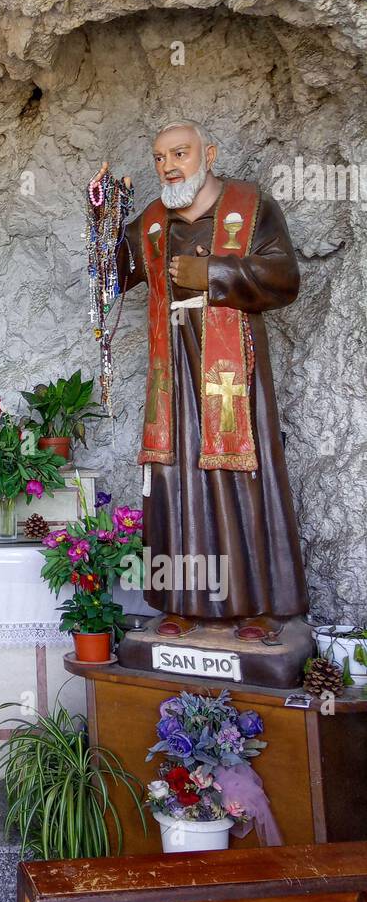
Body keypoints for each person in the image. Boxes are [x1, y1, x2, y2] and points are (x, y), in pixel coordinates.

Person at [103, 120, 307, 626]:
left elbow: (285, 278)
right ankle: (181, 603)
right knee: (176, 484)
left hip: (232, 373)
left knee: (242, 479)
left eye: (180, 153)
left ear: (208, 153)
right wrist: (104, 217)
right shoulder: (153, 221)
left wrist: (213, 271)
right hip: (171, 374)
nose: (168, 166)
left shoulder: (250, 206)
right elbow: (108, 278)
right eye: (159, 157)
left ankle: (256, 605)